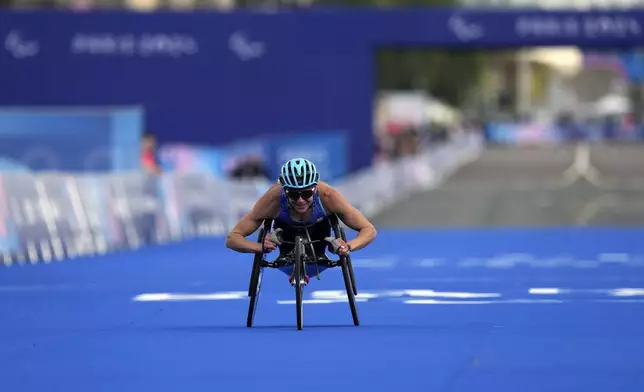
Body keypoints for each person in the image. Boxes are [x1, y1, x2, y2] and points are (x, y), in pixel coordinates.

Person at [225, 157, 377, 283]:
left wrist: (348, 247)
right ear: (284, 190)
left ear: (315, 189)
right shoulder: (272, 200)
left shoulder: (328, 196)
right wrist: (259, 247)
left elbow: (368, 229)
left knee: (330, 239)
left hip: (320, 236)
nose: (300, 200)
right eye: (293, 194)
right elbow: (232, 238)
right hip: (285, 239)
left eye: (306, 194)